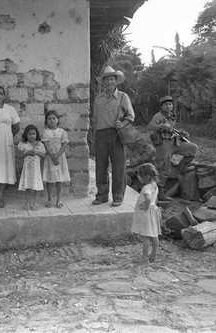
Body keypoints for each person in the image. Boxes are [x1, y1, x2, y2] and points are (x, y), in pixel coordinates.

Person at [92, 66, 135, 207]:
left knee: (118, 167)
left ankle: (118, 196)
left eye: (112, 79)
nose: (109, 82)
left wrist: (121, 124)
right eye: (107, 79)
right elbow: (95, 119)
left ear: (115, 81)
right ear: (103, 82)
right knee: (100, 166)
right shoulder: (99, 98)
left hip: (116, 134)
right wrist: (95, 136)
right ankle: (102, 195)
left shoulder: (123, 96)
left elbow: (130, 116)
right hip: (101, 135)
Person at [147, 96, 198, 201]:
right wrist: (162, 126)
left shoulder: (171, 116)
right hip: (163, 144)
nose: (168, 106)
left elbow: (172, 129)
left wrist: (181, 132)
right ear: (161, 106)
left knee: (193, 148)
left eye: (170, 104)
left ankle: (181, 169)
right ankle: (160, 194)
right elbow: (150, 126)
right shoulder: (158, 116)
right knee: (164, 168)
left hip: (174, 142)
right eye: (166, 104)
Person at [130, 163, 162, 264]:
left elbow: (148, 197)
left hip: (147, 214)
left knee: (146, 236)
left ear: (147, 177)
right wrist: (153, 206)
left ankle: (144, 257)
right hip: (153, 212)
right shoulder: (155, 186)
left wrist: (146, 206)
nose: (138, 177)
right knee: (154, 234)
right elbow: (154, 198)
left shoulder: (146, 188)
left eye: (140, 176)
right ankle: (154, 255)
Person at [41, 110, 71, 208]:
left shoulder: (62, 132)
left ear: (58, 120)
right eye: (49, 119)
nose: (52, 121)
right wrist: (52, 156)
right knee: (50, 179)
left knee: (59, 180)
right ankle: (50, 199)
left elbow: (64, 145)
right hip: (50, 158)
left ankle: (59, 199)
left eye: (54, 118)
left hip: (60, 159)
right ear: (46, 121)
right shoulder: (45, 132)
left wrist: (57, 155)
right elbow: (46, 145)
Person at [18, 125, 46, 211]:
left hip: (36, 170)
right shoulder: (24, 145)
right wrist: (28, 153)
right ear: (26, 135)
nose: (32, 136)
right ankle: (27, 202)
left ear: (37, 135)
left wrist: (37, 152)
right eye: (29, 134)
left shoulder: (40, 145)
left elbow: (44, 156)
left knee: (36, 186)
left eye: (34, 134)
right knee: (27, 185)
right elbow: (21, 156)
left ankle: (34, 202)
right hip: (27, 169)